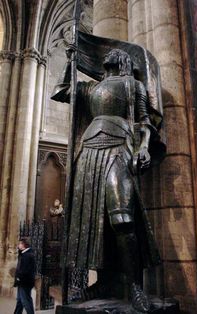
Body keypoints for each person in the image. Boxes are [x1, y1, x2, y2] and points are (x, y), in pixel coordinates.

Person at [52, 48, 162, 312]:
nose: (109, 53)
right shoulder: (91, 88)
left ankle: (135, 286)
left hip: (118, 148)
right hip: (89, 150)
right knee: (93, 221)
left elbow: (146, 121)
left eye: (116, 51)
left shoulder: (133, 85)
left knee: (122, 219)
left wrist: (144, 146)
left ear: (123, 61)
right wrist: (70, 61)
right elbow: (61, 91)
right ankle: (104, 282)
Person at [13, 238, 35, 314]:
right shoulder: (25, 254)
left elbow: (24, 270)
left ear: (23, 245)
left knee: (26, 301)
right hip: (23, 282)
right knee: (19, 300)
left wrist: (19, 278)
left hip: (24, 282)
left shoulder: (27, 255)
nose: (18, 245)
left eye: (19, 244)